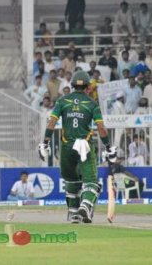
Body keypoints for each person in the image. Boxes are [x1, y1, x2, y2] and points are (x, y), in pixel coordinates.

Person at [39, 71, 116, 223]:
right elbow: (101, 128)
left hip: (66, 147)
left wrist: (45, 142)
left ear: (72, 86)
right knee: (91, 181)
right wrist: (108, 147)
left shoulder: (62, 101)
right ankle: (86, 206)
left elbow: (51, 123)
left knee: (72, 181)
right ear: (88, 87)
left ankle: (74, 213)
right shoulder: (92, 104)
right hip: (84, 146)